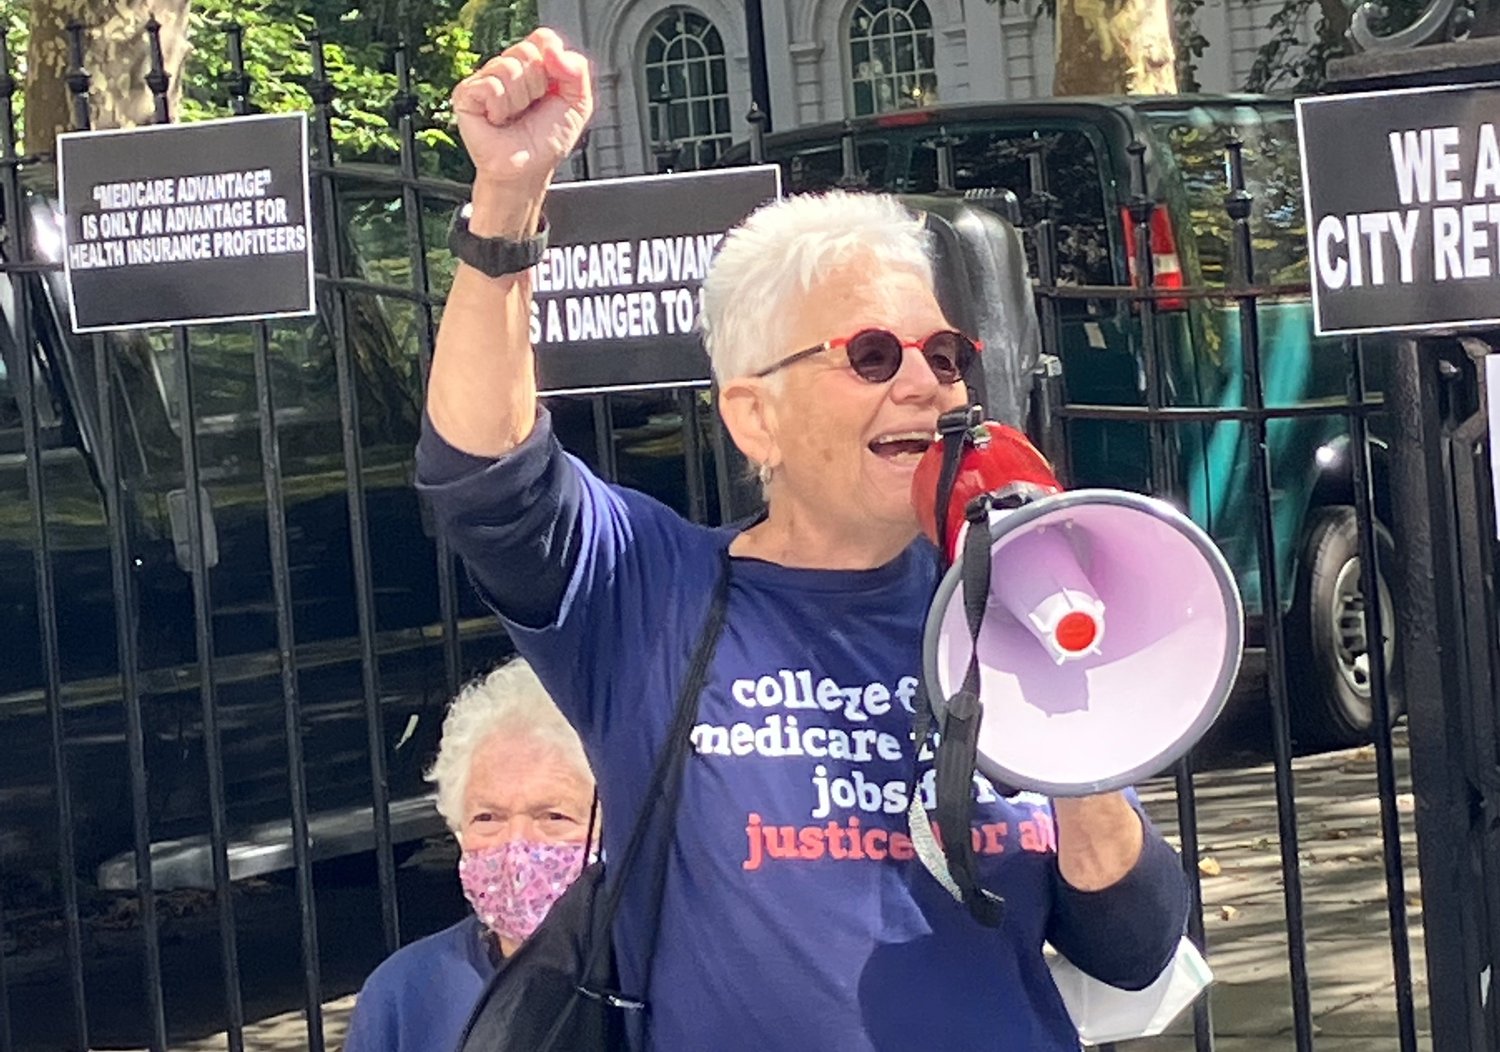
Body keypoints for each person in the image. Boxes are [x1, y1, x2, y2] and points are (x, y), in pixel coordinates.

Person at [416, 27, 1191, 1052]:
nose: (923, 384)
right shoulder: (652, 593)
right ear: (754, 418)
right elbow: (485, 476)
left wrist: (1077, 742)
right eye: (871, 355)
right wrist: (507, 202)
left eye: (944, 354)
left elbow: (1134, 946)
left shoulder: (1007, 602)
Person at [342, 658, 596, 1052]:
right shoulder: (404, 995)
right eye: (488, 818)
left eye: (553, 816)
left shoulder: (668, 987)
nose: (517, 847)